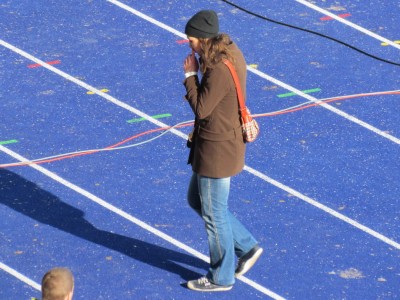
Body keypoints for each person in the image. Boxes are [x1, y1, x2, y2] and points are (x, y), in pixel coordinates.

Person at [182, 10, 263, 292]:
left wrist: (191, 75)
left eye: (191, 39)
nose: (188, 44)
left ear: (203, 39)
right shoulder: (228, 51)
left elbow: (203, 108)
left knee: (214, 215)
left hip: (217, 151)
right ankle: (247, 247)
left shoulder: (217, 69)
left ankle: (221, 277)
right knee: (198, 200)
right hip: (216, 144)